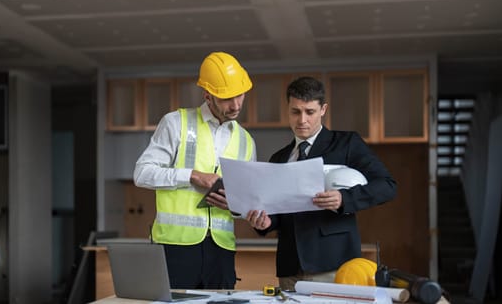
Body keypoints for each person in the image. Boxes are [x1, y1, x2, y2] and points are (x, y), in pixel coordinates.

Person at [245, 76, 396, 291]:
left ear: (323, 109)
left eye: (310, 112)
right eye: (295, 112)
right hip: (290, 267)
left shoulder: (347, 144)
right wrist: (265, 223)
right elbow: (277, 211)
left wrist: (344, 198)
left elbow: (387, 186)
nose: (302, 120)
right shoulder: (279, 158)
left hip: (334, 265)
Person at [134, 51, 256, 290]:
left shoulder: (246, 140)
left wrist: (237, 205)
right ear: (207, 96)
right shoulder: (175, 123)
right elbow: (142, 173)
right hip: (175, 247)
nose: (235, 105)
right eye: (226, 98)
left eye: (240, 95)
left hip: (221, 251)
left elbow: (247, 201)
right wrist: (192, 175)